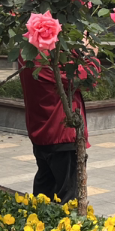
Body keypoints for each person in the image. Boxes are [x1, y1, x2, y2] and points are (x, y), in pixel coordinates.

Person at [19, 58, 93, 203]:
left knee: (44, 195)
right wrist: (90, 57)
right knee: (69, 200)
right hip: (62, 133)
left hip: (41, 131)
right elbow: (87, 80)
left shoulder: (26, 52)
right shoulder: (47, 57)